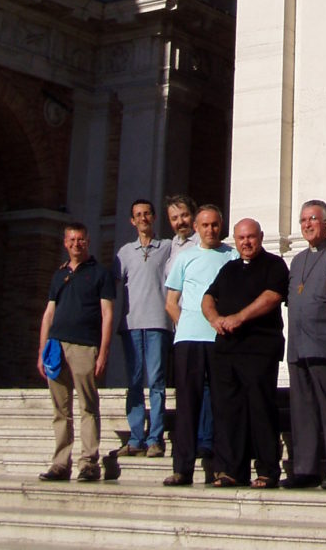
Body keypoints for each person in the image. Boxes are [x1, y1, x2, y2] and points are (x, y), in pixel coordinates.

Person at [202, 218, 289, 488]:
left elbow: (272, 296)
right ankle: (230, 470)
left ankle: (267, 470)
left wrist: (239, 317)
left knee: (261, 408)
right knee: (228, 411)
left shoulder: (274, 265)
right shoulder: (228, 269)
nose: (246, 243)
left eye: (251, 237)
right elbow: (208, 297)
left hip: (259, 349)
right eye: (241, 238)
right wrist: (214, 318)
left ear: (261, 237)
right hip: (227, 349)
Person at [162, 204, 235, 486]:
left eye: (215, 225)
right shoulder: (184, 257)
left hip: (221, 338)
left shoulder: (232, 255)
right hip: (189, 340)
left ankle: (223, 468)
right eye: (205, 225)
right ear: (196, 228)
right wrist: (188, 324)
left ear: (221, 225)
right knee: (187, 405)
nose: (210, 230)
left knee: (222, 404)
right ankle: (182, 468)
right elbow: (171, 302)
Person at [37, 222, 115, 482]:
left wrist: (103, 353)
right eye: (71, 240)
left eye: (80, 239)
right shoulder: (59, 275)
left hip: (85, 345)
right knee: (61, 409)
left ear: (88, 241)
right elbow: (48, 314)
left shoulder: (100, 273)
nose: (76, 244)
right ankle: (61, 463)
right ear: (65, 243)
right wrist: (41, 351)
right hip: (56, 346)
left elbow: (107, 315)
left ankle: (89, 463)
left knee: (88, 406)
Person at [282, 200, 326, 490]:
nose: (307, 225)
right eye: (303, 220)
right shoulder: (297, 260)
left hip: (323, 342)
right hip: (297, 346)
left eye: (313, 219)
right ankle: (305, 468)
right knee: (302, 411)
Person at [112, 199, 172, 457]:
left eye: (147, 214)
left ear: (154, 217)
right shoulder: (124, 252)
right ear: (132, 221)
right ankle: (136, 436)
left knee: (157, 381)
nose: (143, 218)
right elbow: (109, 284)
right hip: (131, 323)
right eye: (138, 215)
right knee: (134, 381)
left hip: (158, 321)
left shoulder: (167, 247)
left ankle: (155, 438)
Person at [164, 193, 213, 457]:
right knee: (185, 387)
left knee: (204, 387)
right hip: (181, 328)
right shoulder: (170, 247)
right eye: (174, 218)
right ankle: (186, 441)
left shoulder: (204, 244)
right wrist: (182, 325)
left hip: (202, 328)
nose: (180, 221)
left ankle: (205, 437)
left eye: (184, 215)